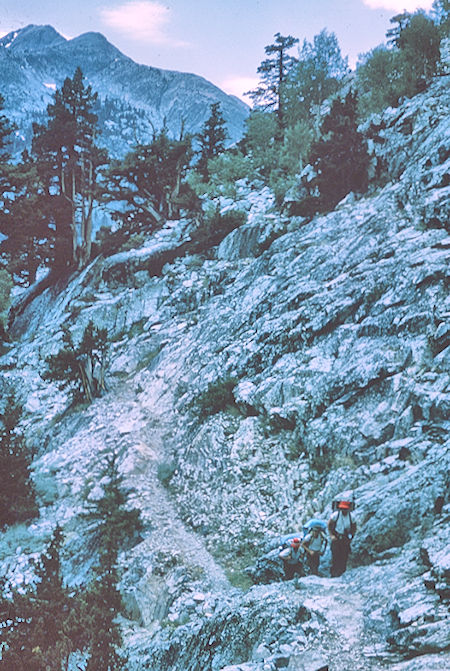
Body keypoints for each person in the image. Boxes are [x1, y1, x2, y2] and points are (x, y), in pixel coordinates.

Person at [328, 501, 356, 577]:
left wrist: (351, 537)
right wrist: (331, 535)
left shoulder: (351, 517)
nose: (343, 510)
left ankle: (342, 573)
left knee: (344, 557)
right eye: (342, 509)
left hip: (345, 539)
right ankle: (334, 574)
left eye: (345, 509)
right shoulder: (335, 515)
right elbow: (329, 524)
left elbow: (354, 527)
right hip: (336, 538)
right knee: (335, 556)